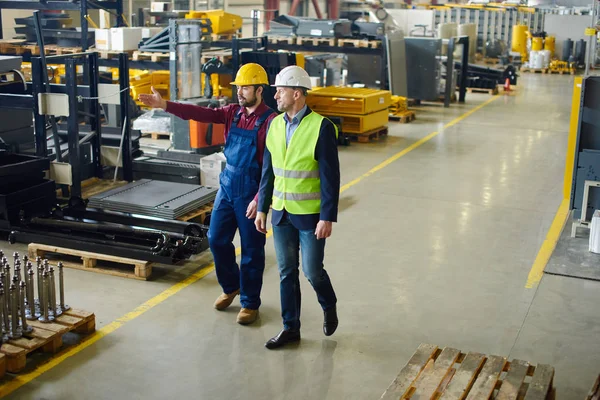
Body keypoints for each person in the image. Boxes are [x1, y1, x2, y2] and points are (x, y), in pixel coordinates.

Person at [138, 63, 276, 325]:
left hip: (251, 190)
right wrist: (165, 105)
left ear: (259, 89)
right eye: (238, 87)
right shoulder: (232, 113)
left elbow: (272, 166)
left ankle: (249, 302)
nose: (240, 92)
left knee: (251, 250)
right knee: (216, 239)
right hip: (228, 185)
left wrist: (260, 199)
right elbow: (199, 113)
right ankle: (230, 286)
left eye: (245, 87)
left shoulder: (270, 121)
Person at [255, 66, 340, 349]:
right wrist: (262, 208)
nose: (275, 95)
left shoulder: (321, 127)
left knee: (312, 270)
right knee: (286, 272)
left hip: (310, 215)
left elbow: (330, 177)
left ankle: (328, 304)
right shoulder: (274, 124)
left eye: (280, 90)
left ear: (297, 93)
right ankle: (290, 328)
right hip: (280, 212)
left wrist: (327, 217)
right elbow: (268, 170)